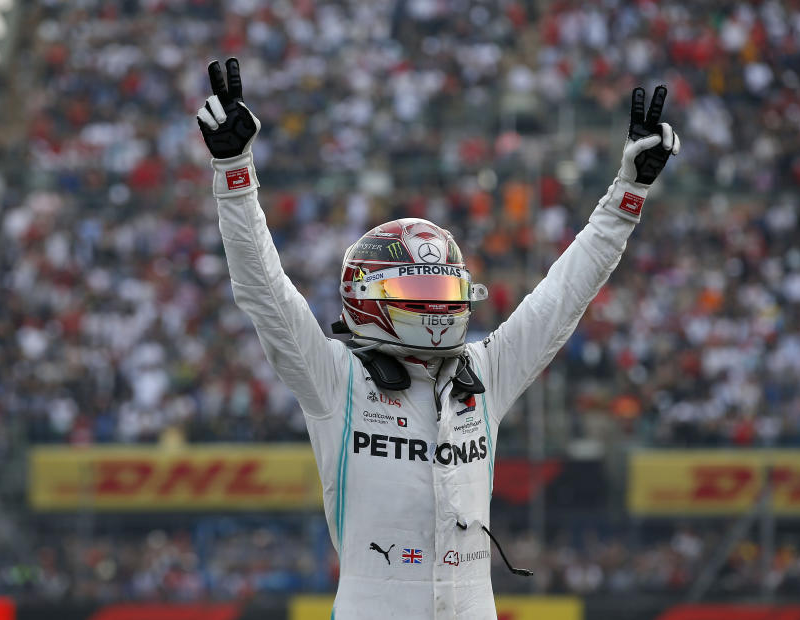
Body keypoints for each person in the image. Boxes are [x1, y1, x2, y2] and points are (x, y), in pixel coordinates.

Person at [197, 58, 679, 619]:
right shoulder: (334, 378)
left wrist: (627, 196)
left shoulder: (484, 372)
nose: (436, 304)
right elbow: (263, 290)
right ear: (367, 295)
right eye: (415, 288)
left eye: (443, 286)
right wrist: (234, 172)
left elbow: (562, 296)